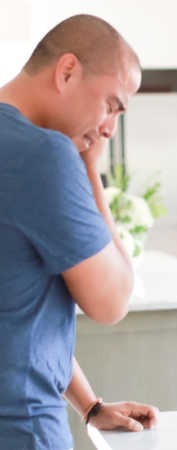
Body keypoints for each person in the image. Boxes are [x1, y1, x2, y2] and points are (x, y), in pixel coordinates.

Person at [0, 15, 158, 449]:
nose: (109, 129)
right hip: (23, 429)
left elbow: (18, 307)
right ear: (67, 70)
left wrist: (88, 405)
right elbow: (113, 301)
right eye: (112, 105)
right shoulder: (43, 155)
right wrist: (90, 168)